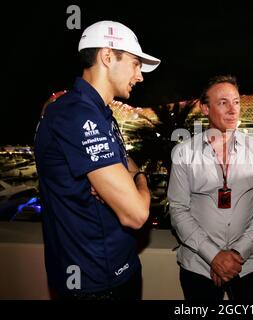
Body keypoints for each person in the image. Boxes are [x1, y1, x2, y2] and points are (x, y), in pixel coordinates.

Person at [34, 20, 161, 300]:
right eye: (135, 64)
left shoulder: (101, 114)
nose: (140, 76)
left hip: (118, 269)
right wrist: (140, 180)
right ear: (107, 56)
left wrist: (120, 178)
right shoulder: (76, 114)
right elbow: (136, 213)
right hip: (93, 284)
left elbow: (125, 162)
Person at [168, 75, 253, 300]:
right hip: (199, 265)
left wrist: (235, 255)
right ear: (204, 108)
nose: (232, 110)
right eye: (223, 102)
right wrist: (213, 256)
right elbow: (178, 211)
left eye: (236, 102)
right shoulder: (184, 153)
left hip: (249, 263)